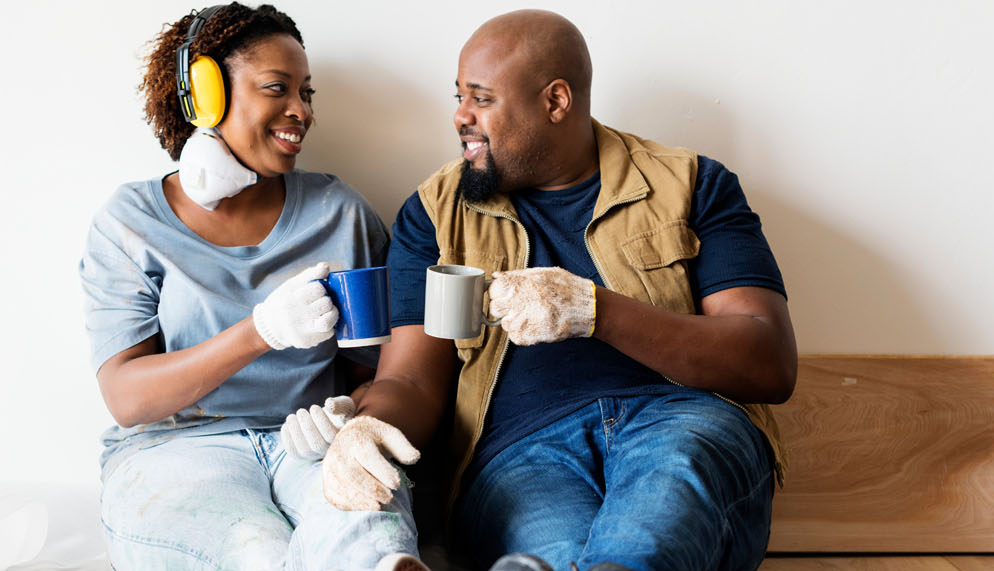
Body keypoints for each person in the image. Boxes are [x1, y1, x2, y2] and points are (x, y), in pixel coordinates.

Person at [297, 9, 797, 571]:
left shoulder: (693, 185)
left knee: (672, 479)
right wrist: (369, 427)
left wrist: (594, 311)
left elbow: (769, 362)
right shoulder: (436, 214)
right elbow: (409, 378)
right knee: (558, 555)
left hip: (683, 422)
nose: (460, 116)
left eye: (481, 99)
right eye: (459, 96)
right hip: (522, 455)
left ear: (555, 102)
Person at [78, 4, 419, 569]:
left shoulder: (341, 214)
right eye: (276, 89)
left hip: (306, 445)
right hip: (176, 450)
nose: (300, 112)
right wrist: (261, 331)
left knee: (369, 523)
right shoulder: (130, 222)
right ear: (207, 96)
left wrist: (343, 415)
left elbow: (374, 374)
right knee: (253, 549)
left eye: (306, 93)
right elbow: (127, 397)